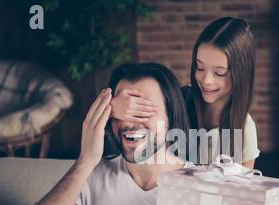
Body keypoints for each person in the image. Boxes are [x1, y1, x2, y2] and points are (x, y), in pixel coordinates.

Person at [8, 62, 244, 205]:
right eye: (120, 112)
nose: (130, 124)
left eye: (143, 110)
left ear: (171, 116)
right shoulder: (90, 175)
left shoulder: (208, 192)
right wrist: (85, 160)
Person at [109, 17, 260, 168]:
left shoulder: (245, 129)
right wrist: (110, 108)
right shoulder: (180, 99)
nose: (206, 80)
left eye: (219, 73)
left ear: (241, 74)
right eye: (200, 68)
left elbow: (244, 188)